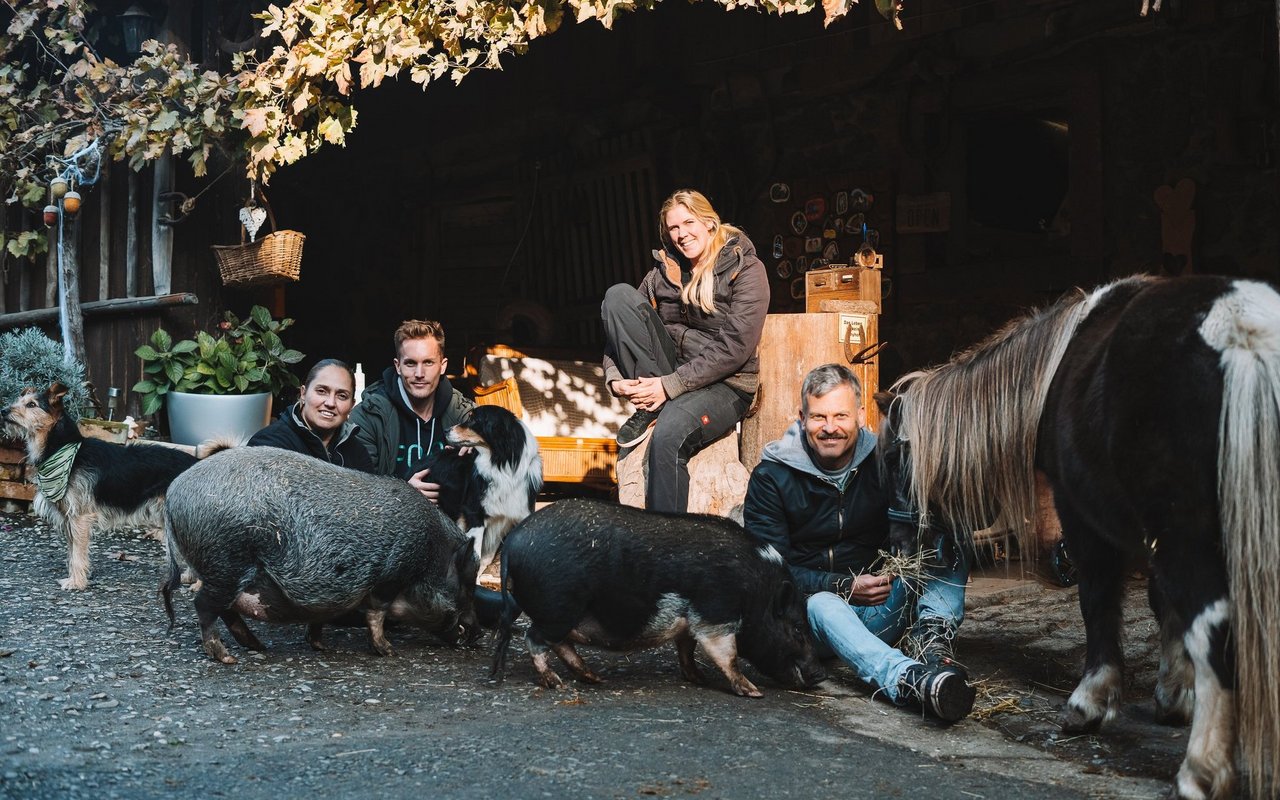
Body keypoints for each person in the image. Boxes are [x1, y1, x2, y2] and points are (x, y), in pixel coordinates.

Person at [742, 363, 976, 723]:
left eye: (841, 415)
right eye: (819, 417)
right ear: (801, 417)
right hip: (809, 623)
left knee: (946, 533)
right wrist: (844, 586)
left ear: (861, 415)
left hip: (882, 605)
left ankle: (932, 642)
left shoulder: (886, 460)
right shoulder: (771, 477)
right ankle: (906, 679)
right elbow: (770, 573)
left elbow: (918, 529)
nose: (831, 428)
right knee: (823, 604)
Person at [601, 189, 769, 514]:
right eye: (673, 228)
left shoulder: (745, 269)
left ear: (708, 222)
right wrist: (615, 378)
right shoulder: (663, 273)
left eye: (688, 222)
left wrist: (668, 386)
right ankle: (651, 406)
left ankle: (669, 546)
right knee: (618, 296)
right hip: (671, 372)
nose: (681, 234)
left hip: (726, 384)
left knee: (669, 436)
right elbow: (620, 325)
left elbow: (735, 347)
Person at [349, 319, 475, 501]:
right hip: (389, 522)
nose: (419, 374)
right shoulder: (368, 417)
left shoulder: (464, 415)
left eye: (429, 363)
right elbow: (356, 489)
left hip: (452, 523)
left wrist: (479, 450)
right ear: (397, 366)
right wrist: (403, 493)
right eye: (410, 363)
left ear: (443, 366)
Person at [248, 358, 375, 473]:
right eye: (321, 391)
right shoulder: (269, 444)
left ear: (352, 405)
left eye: (342, 396)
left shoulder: (358, 453)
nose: (330, 403)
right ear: (303, 393)